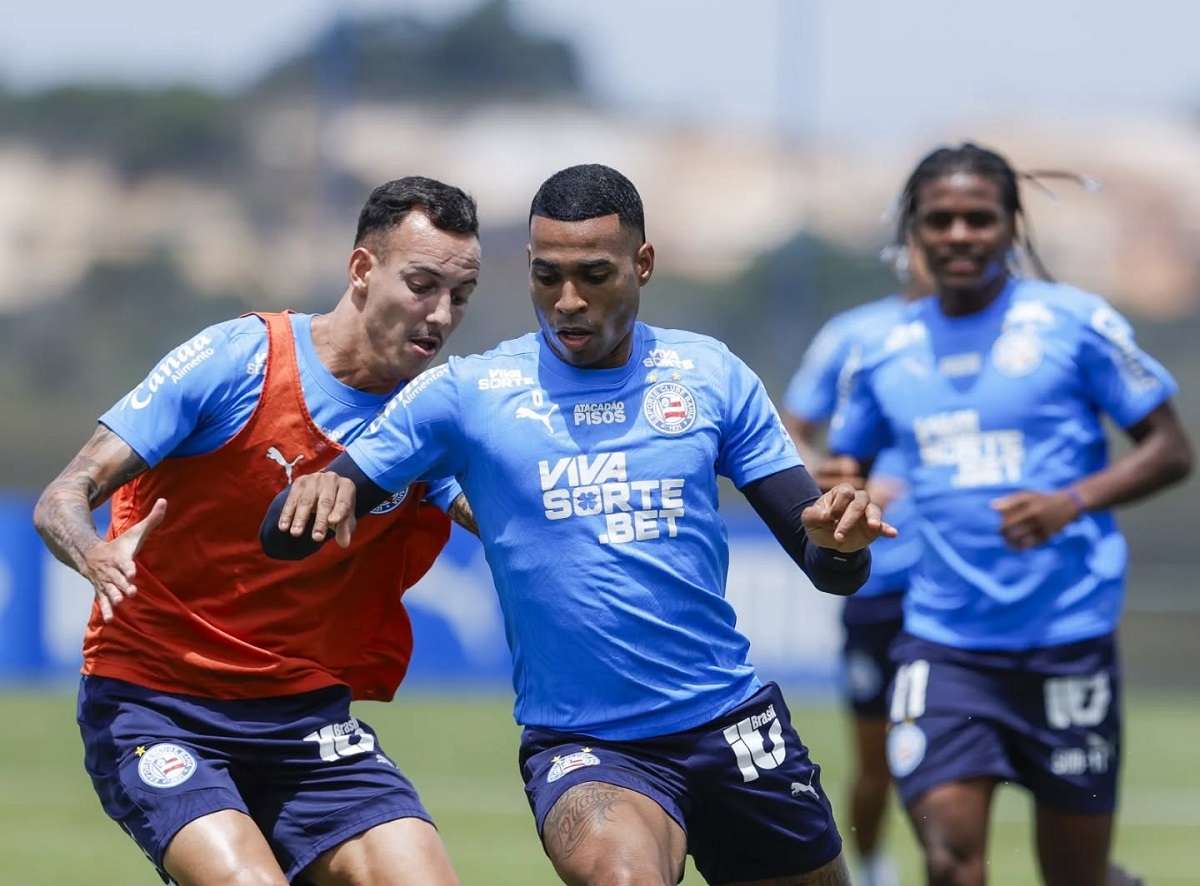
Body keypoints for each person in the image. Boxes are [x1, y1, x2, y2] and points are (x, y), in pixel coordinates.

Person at [261, 163, 897, 886]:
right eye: (546, 276)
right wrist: (313, 501)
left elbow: (828, 564)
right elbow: (288, 525)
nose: (567, 301)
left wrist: (841, 546)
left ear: (642, 265)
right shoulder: (468, 394)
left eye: (594, 274)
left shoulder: (709, 376)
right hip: (587, 747)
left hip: (730, 725)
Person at [32, 176, 482, 886]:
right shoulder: (239, 359)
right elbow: (64, 493)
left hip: (307, 720)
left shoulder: (429, 416)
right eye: (422, 284)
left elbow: (498, 515)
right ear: (362, 270)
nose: (441, 314)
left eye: (460, 296)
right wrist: (93, 553)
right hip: (158, 706)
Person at [827, 142, 1193, 886]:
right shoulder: (880, 353)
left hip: (1067, 643)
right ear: (914, 231)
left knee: (1075, 877)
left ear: (1011, 224)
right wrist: (845, 497)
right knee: (949, 860)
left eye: (979, 218)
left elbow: (1171, 449)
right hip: (943, 644)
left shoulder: (1076, 324)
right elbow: (846, 468)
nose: (960, 235)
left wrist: (1072, 501)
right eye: (941, 220)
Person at [780, 243, 933, 886]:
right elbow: (789, 430)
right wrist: (830, 479)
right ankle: (872, 871)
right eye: (928, 230)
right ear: (905, 247)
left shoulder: (1017, 339)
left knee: (940, 759)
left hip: (956, 592)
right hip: (878, 581)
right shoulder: (856, 336)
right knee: (878, 764)